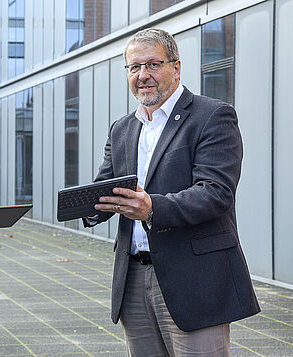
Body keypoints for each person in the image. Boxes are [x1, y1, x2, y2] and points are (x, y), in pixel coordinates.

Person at [83, 28, 260, 356]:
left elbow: (215, 192)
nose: (142, 75)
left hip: (195, 280)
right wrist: (88, 206)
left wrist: (152, 208)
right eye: (134, 67)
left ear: (176, 68)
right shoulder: (123, 128)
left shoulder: (212, 116)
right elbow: (106, 184)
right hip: (133, 277)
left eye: (152, 64)